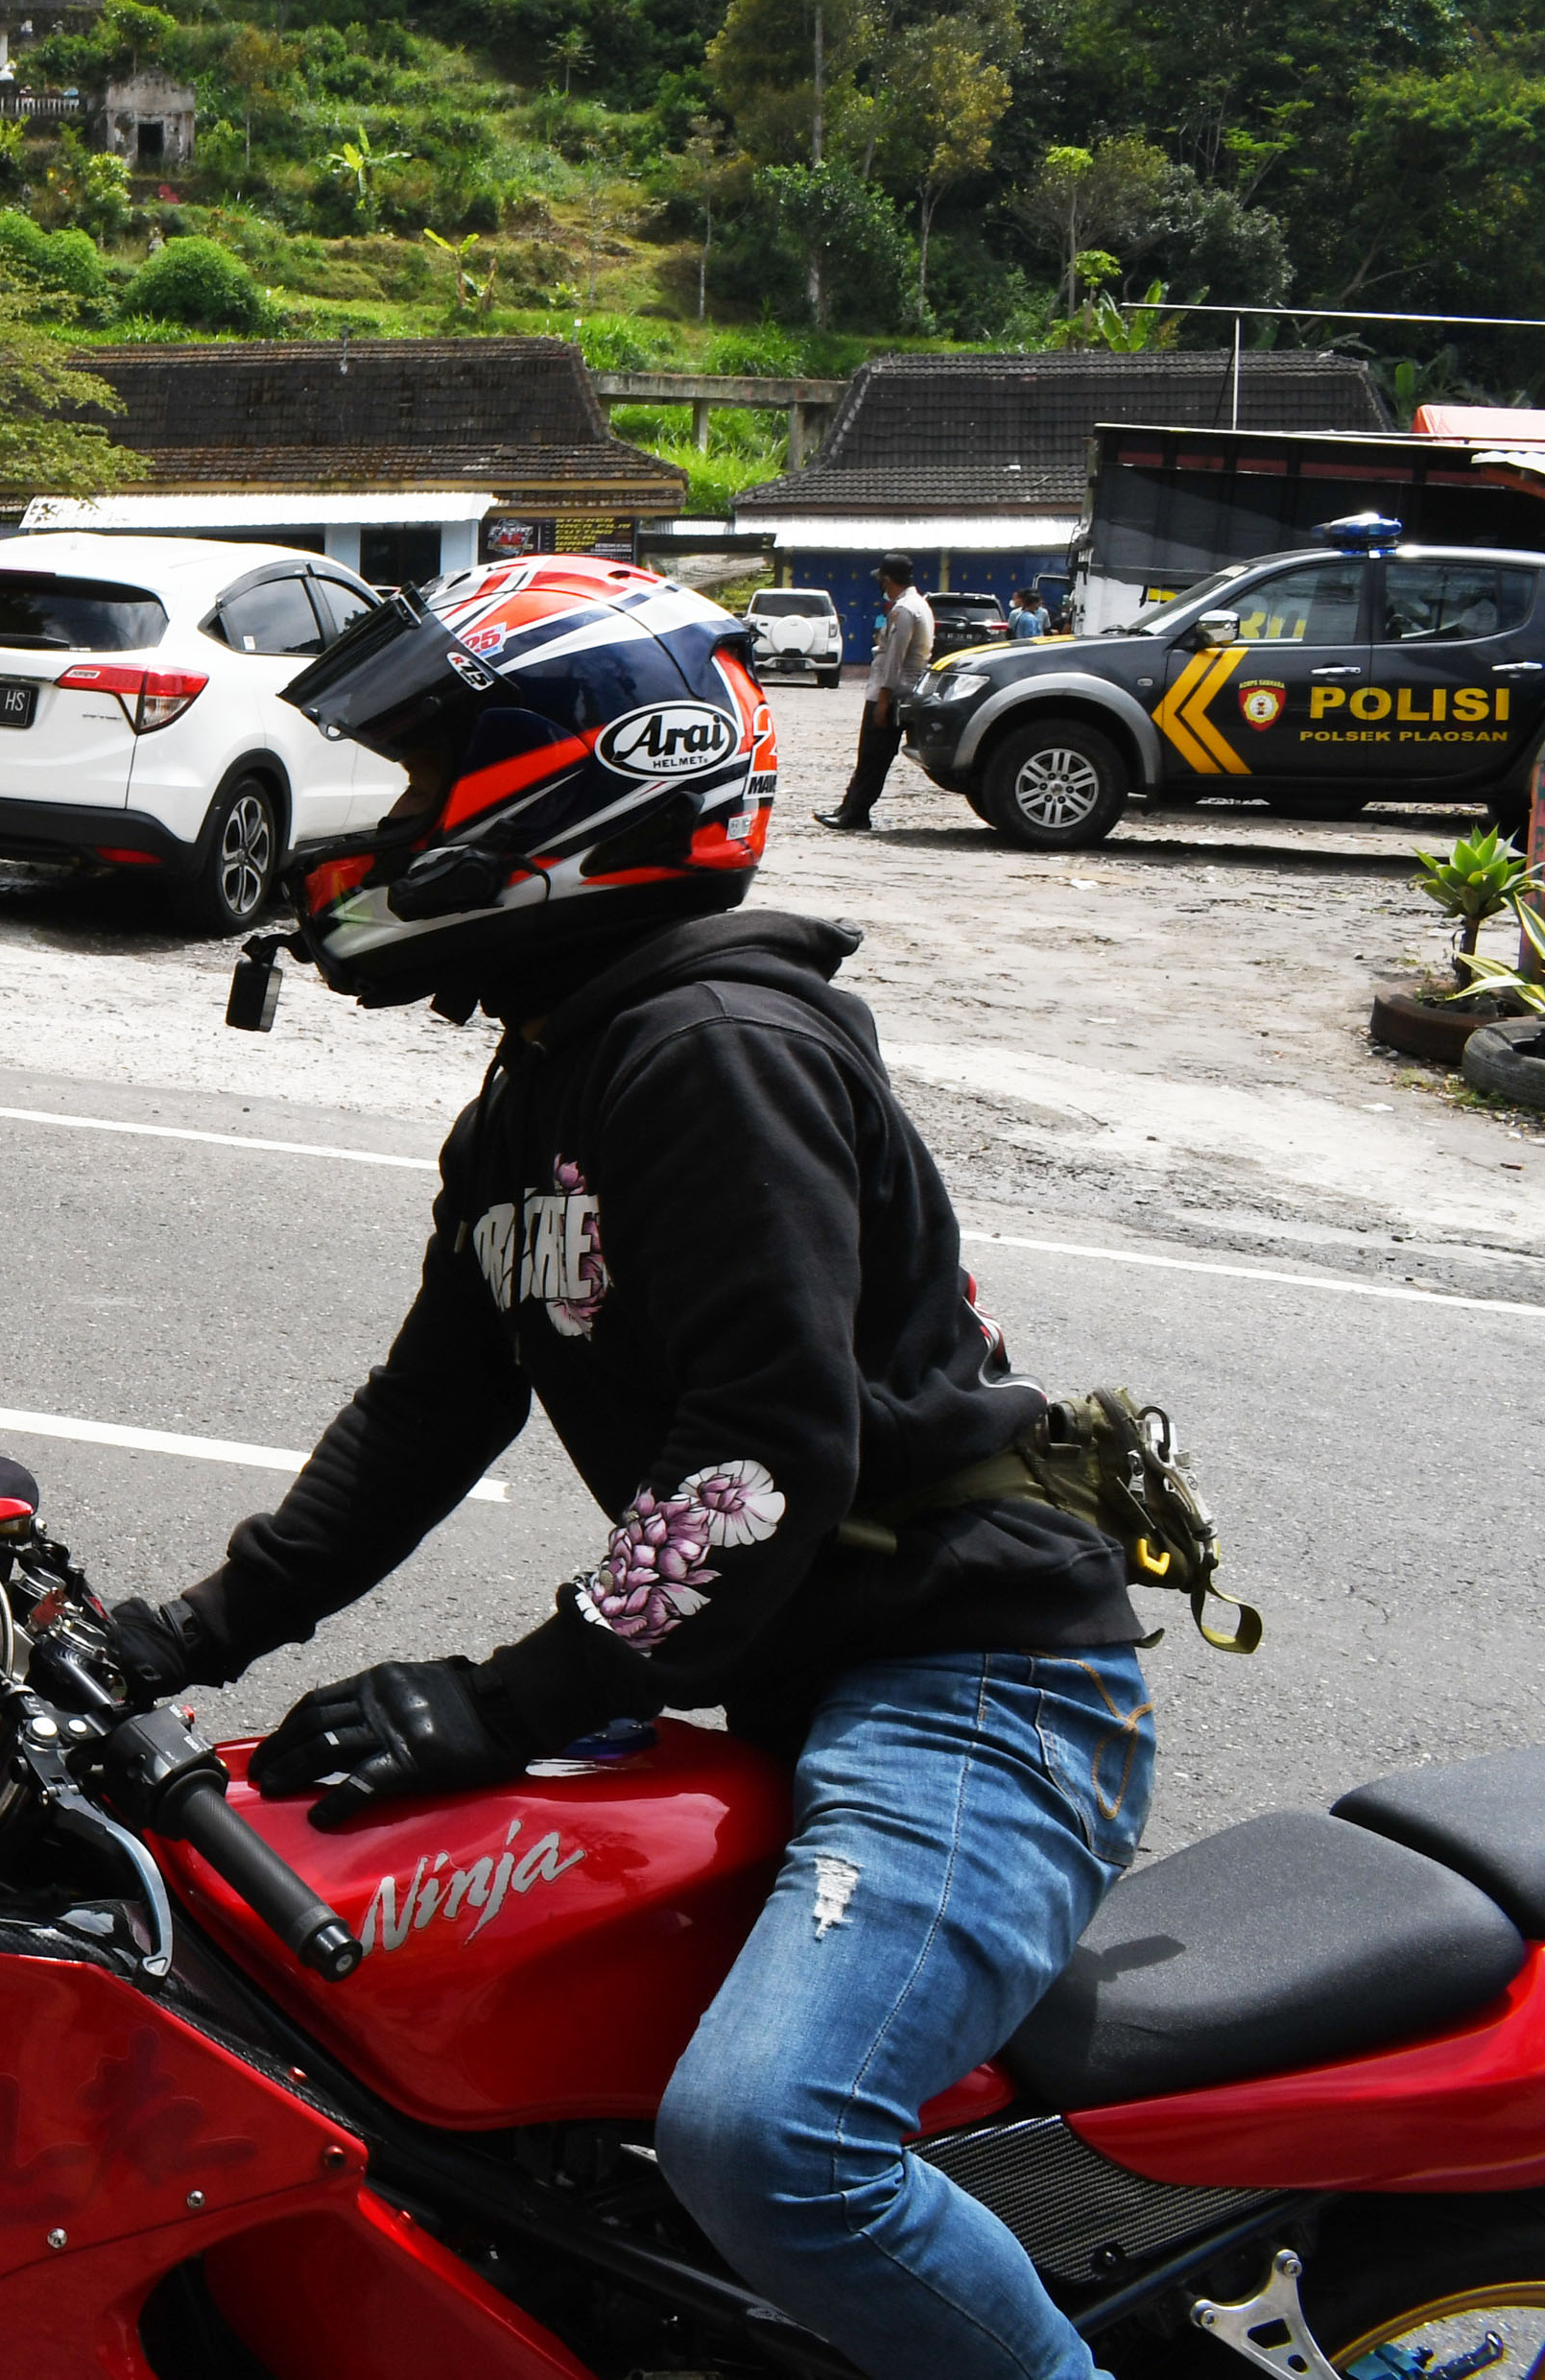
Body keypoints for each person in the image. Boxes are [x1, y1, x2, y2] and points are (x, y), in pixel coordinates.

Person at [114, 559, 1153, 2380]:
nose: (399, 823)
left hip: (970, 1692)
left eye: (438, 777)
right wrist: (180, 1632)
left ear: (579, 783)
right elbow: (428, 1413)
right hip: (797, 1681)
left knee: (771, 2141)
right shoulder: (545, 1087)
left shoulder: (711, 1050)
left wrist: (506, 1697)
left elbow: (762, 1453)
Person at [819, 551, 931, 833]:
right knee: (869, 756)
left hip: (891, 692)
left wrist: (883, 699)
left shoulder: (904, 610)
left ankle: (856, 813)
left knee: (873, 757)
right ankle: (849, 807)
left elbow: (894, 658)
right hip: (897, 688)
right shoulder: (918, 604)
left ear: (887, 579)